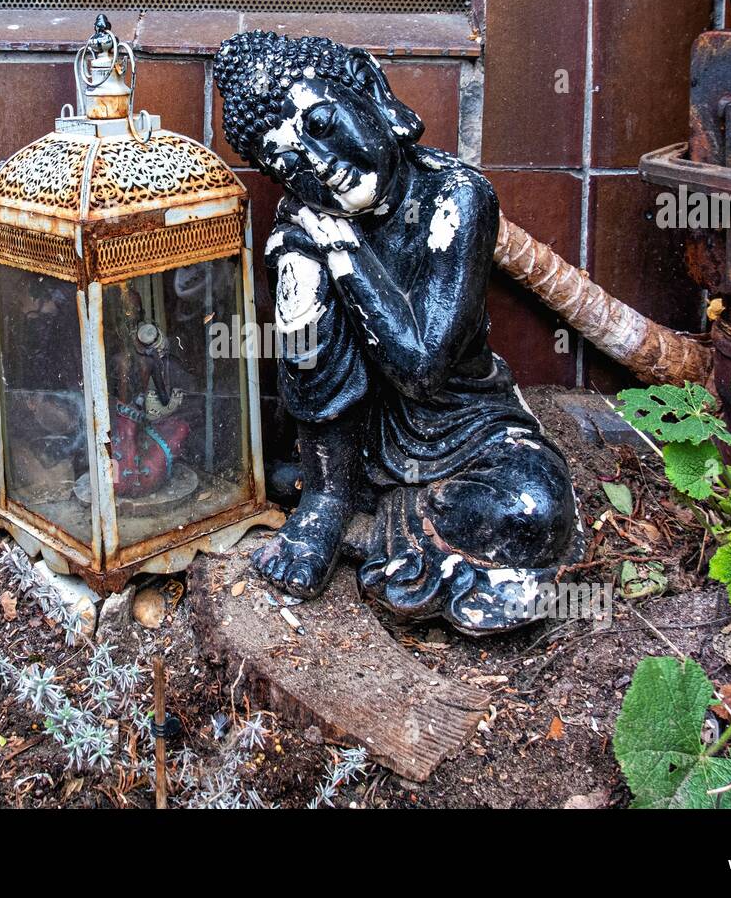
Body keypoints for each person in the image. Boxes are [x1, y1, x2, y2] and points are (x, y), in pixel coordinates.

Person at [213, 32, 583, 634]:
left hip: (465, 429)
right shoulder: (302, 226)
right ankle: (330, 503)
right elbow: (307, 358)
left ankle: (375, 523)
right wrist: (314, 254)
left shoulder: (456, 198)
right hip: (352, 438)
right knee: (297, 276)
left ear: (372, 95)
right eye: (287, 165)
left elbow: (421, 368)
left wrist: (343, 246)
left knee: (532, 511)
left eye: (322, 123)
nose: (320, 165)